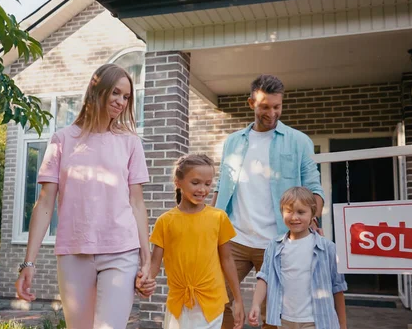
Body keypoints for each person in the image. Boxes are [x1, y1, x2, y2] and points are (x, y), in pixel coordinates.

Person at [15, 64, 155, 329]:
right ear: (96, 90)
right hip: (73, 252)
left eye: (126, 97)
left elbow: (137, 203)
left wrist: (146, 261)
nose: (121, 102)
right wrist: (28, 262)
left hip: (121, 251)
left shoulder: (130, 142)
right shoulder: (62, 140)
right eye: (115, 93)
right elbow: (44, 203)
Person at [212, 74, 325, 329]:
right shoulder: (233, 142)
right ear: (251, 103)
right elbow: (222, 185)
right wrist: (209, 222)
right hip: (233, 238)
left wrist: (312, 219)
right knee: (218, 303)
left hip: (278, 241)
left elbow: (314, 188)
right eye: (265, 106)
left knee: (273, 314)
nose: (272, 113)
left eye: (277, 106)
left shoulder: (299, 141)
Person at [148, 154, 245, 329]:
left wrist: (237, 300)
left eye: (208, 184)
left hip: (212, 302)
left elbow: (227, 259)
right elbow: (155, 262)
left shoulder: (218, 217)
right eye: (196, 183)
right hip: (179, 302)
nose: (203, 189)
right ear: (178, 182)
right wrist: (146, 281)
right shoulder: (165, 221)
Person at [248, 187, 347, 329]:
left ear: (313, 214)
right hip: (284, 320)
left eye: (301, 212)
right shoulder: (274, 246)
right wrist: (256, 305)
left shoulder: (327, 248)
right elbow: (264, 277)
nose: (294, 217)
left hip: (317, 321)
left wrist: (342, 325)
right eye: (289, 211)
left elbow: (338, 288)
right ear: (282, 213)